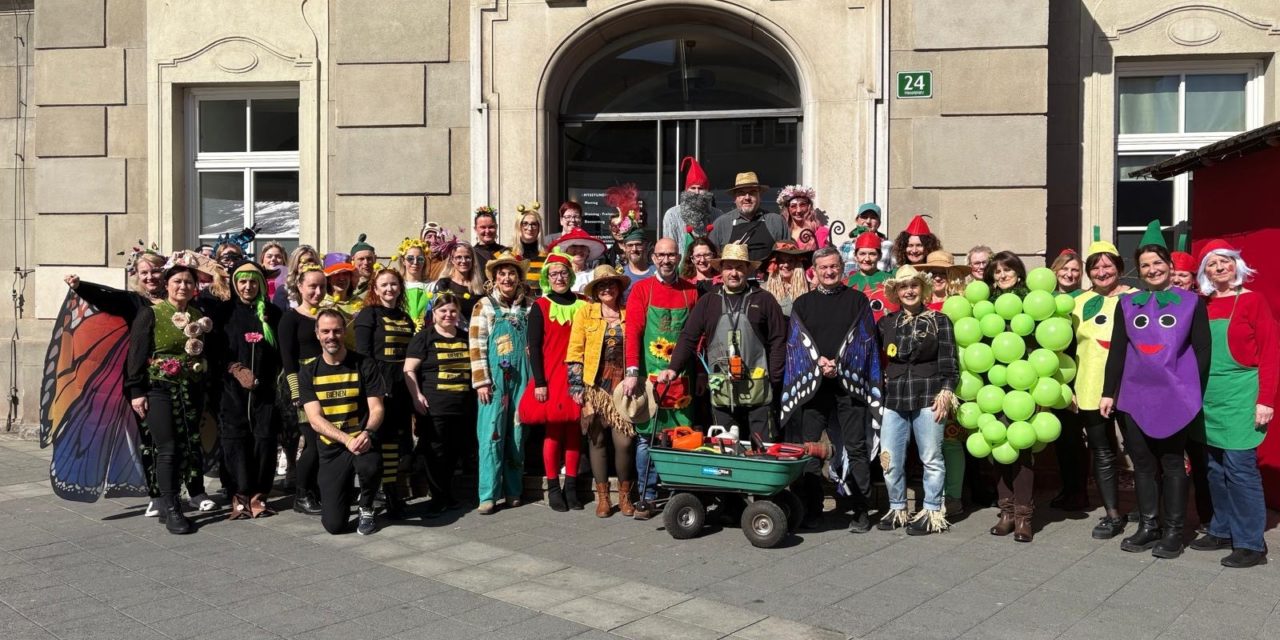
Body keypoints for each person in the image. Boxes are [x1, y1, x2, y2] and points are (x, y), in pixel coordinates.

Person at [1100, 222, 1210, 559]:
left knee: (1174, 463)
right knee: (1143, 465)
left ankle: (1175, 530)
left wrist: (1194, 392)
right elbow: (1117, 350)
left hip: (1175, 395)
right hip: (1134, 396)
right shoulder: (1127, 305)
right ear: (1139, 270)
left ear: (1170, 266)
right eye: (1145, 264)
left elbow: (1203, 350)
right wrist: (1108, 392)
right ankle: (1149, 525)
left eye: (1158, 262)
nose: (1152, 269)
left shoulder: (1191, 303)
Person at [1189, 240, 1276, 568]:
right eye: (1212, 264)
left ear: (1236, 265)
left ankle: (1251, 543)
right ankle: (1222, 529)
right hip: (1208, 397)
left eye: (1224, 261)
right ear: (1205, 272)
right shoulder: (1202, 304)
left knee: (1240, 469)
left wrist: (1265, 399)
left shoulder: (1253, 301)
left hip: (1241, 395)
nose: (1219, 267)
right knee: (1213, 468)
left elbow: (1270, 352)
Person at [782, 246, 881, 531]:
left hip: (848, 386)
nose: (829, 272)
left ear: (842, 268)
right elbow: (796, 345)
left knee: (856, 448)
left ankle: (861, 510)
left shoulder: (858, 301)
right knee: (810, 450)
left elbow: (865, 342)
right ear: (814, 270)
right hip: (813, 388)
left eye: (834, 266)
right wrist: (818, 364)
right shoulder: (803, 303)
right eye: (823, 267)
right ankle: (812, 510)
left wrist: (840, 363)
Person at [660, 242, 787, 439]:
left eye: (739, 267)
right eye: (728, 267)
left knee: (762, 449)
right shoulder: (708, 301)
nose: (733, 273)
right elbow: (688, 337)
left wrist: (775, 378)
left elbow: (778, 340)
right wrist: (673, 367)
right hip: (722, 389)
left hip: (759, 390)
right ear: (721, 270)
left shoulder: (764, 300)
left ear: (748, 270)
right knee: (725, 450)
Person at [125, 264, 214, 534]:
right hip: (158, 388)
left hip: (191, 389)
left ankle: (186, 494)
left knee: (189, 443)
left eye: (188, 282)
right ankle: (171, 506)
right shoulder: (150, 313)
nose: (183, 286)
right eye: (177, 281)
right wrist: (136, 392)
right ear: (167, 284)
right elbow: (136, 355)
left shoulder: (198, 315)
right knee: (168, 447)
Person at [876, 266, 957, 535]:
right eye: (903, 287)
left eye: (913, 285)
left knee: (932, 458)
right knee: (889, 459)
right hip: (895, 398)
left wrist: (946, 392)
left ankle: (932, 511)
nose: (909, 291)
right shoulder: (886, 323)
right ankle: (897, 508)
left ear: (921, 289)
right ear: (897, 293)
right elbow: (875, 358)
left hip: (929, 396)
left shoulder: (940, 320)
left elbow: (950, 363)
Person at [622, 237, 699, 519]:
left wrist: (700, 373)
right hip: (649, 378)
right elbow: (632, 333)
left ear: (679, 257)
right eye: (661, 255)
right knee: (647, 438)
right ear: (653, 258)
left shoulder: (690, 291)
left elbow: (697, 336)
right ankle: (648, 495)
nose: (666, 260)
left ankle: (678, 492)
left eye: (672, 255)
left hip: (683, 380)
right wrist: (632, 372)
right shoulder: (642, 290)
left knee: (681, 436)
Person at [299, 308, 387, 535]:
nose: (331, 336)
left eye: (337, 331)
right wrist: (346, 439)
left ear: (344, 333)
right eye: (326, 331)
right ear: (317, 334)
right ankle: (344, 492)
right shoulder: (309, 372)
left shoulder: (365, 364)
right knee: (334, 526)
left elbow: (377, 408)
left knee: (370, 465)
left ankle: (367, 505)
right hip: (332, 449)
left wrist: (367, 432)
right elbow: (315, 420)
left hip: (362, 441)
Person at [1070, 241, 1134, 538]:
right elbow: (1066, 346)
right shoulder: (1078, 302)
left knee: (1140, 452)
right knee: (1103, 451)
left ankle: (1150, 514)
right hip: (1090, 385)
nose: (1101, 271)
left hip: (1129, 385)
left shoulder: (1136, 298)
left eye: (1107, 264)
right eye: (1095, 266)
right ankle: (1112, 514)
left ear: (1119, 267)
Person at [211, 259, 282, 520]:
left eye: (253, 281)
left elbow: (282, 353)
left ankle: (259, 495)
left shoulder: (272, 314)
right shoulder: (223, 313)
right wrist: (233, 368)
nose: (248, 286)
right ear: (234, 284)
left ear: (262, 284)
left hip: (265, 392)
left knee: (264, 440)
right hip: (231, 391)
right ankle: (239, 494)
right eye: (242, 281)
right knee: (235, 441)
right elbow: (214, 350)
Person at [518, 250, 586, 512]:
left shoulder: (584, 303)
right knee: (555, 431)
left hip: (577, 376)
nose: (559, 277)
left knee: (573, 433)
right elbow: (533, 347)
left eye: (563, 273)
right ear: (547, 277)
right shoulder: (541, 306)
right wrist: (540, 382)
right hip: (551, 376)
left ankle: (571, 487)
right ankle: (553, 487)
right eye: (554, 273)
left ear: (571, 275)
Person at [566, 266, 635, 518]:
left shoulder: (630, 313)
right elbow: (575, 351)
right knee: (596, 440)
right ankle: (603, 498)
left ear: (619, 288)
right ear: (595, 291)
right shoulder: (585, 313)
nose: (607, 288)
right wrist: (576, 385)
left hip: (623, 387)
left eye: (611, 284)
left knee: (624, 442)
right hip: (594, 386)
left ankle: (625, 496)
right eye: (602, 285)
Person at [469, 251, 534, 514]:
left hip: (523, 377)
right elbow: (476, 345)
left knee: (518, 433)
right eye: (502, 274)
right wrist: (481, 381)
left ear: (519, 278)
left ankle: (513, 490)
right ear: (495, 279)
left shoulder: (529, 305)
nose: (507, 278)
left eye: (512, 273)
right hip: (493, 380)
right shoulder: (483, 306)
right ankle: (488, 494)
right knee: (491, 433)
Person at [983, 251, 1037, 542]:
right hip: (992, 387)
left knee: (1022, 450)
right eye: (997, 271)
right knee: (998, 448)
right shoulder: (985, 307)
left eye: (1008, 270)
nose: (1002, 275)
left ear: (1019, 273)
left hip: (1024, 386)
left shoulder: (1032, 302)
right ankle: (1005, 511)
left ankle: (1023, 516)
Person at [354, 268, 415, 519]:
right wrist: (375, 385)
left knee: (394, 441)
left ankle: (392, 491)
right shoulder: (368, 315)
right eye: (384, 285)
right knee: (375, 439)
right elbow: (363, 354)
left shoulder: (405, 317)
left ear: (400, 288)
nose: (389, 289)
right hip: (377, 383)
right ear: (375, 290)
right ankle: (368, 494)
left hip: (401, 385)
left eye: (394, 284)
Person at [405, 293, 474, 515]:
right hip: (434, 406)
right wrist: (416, 396)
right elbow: (409, 369)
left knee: (454, 452)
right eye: (443, 311)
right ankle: (438, 497)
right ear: (434, 314)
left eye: (453, 311)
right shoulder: (424, 337)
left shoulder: (465, 337)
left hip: (461, 406)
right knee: (435, 452)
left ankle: (447, 494)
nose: (448, 315)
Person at [1045, 250, 1091, 515]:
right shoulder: (1044, 299)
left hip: (1075, 374)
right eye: (1065, 269)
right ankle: (1068, 488)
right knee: (1060, 438)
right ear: (1055, 270)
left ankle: (1078, 492)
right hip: (1049, 375)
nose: (1070, 274)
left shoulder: (1084, 300)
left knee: (1073, 437)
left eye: (1075, 270)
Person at [279, 265, 326, 515]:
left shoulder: (326, 315)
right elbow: (287, 359)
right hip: (304, 388)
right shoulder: (291, 317)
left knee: (325, 441)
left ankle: (318, 490)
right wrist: (297, 392)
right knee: (313, 442)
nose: (317, 292)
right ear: (300, 287)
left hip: (327, 385)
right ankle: (302, 494)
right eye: (312, 286)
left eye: (322, 287)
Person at [708, 172, 788, 264]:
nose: (747, 197)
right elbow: (712, 260)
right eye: (741, 193)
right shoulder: (721, 224)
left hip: (768, 278)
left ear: (759, 196)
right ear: (735, 198)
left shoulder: (776, 221)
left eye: (752, 192)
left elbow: (788, 257)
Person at [662, 156, 722, 258]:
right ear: (686, 190)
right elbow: (669, 250)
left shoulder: (718, 215)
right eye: (693, 188)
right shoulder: (671, 215)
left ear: (707, 191)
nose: (696, 192)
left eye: (701, 188)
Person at [846, 231, 897, 322]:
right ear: (855, 256)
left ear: (880, 256)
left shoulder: (892, 282)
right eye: (862, 254)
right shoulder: (845, 284)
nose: (867, 259)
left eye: (872, 254)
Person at [431, 240, 485, 326]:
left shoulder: (479, 288)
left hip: (472, 335)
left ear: (473, 260)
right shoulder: (444, 284)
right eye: (459, 257)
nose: (463, 261)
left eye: (467, 257)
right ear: (452, 260)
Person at [549, 227, 607, 294]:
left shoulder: (595, 275)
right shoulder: (556, 275)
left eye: (583, 246)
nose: (579, 250)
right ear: (566, 251)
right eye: (574, 246)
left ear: (588, 252)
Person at [762, 241, 812, 318]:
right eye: (781, 261)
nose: (786, 265)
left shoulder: (809, 288)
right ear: (774, 264)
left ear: (797, 263)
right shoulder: (764, 289)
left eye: (790, 261)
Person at [391, 237, 432, 326]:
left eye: (420, 259)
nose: (415, 262)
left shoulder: (432, 286)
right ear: (403, 261)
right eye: (410, 258)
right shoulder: (396, 285)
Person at [777, 184, 829, 251]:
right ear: (788, 209)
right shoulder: (782, 231)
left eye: (802, 205)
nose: (798, 210)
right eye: (793, 206)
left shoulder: (818, 231)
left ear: (809, 207)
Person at [514, 202, 548, 296]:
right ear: (519, 226)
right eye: (525, 223)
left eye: (534, 224)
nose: (529, 228)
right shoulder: (508, 254)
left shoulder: (548, 255)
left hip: (540, 304)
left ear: (539, 227)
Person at [273, 244, 319, 310]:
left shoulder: (324, 288)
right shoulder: (284, 291)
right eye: (300, 261)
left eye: (310, 260)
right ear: (295, 264)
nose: (305, 264)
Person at [472, 206, 509, 278]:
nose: (487, 231)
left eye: (491, 227)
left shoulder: (505, 252)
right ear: (475, 229)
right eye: (483, 227)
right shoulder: (471, 254)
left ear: (496, 227)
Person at [620, 228, 655, 296]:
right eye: (630, 245)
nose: (634, 249)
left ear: (646, 245)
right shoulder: (620, 274)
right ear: (624, 248)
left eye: (638, 245)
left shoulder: (657, 272)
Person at [349, 234, 377, 299]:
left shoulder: (381, 282)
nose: (366, 263)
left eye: (369, 258)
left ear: (375, 259)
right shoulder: (347, 284)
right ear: (352, 260)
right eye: (361, 259)